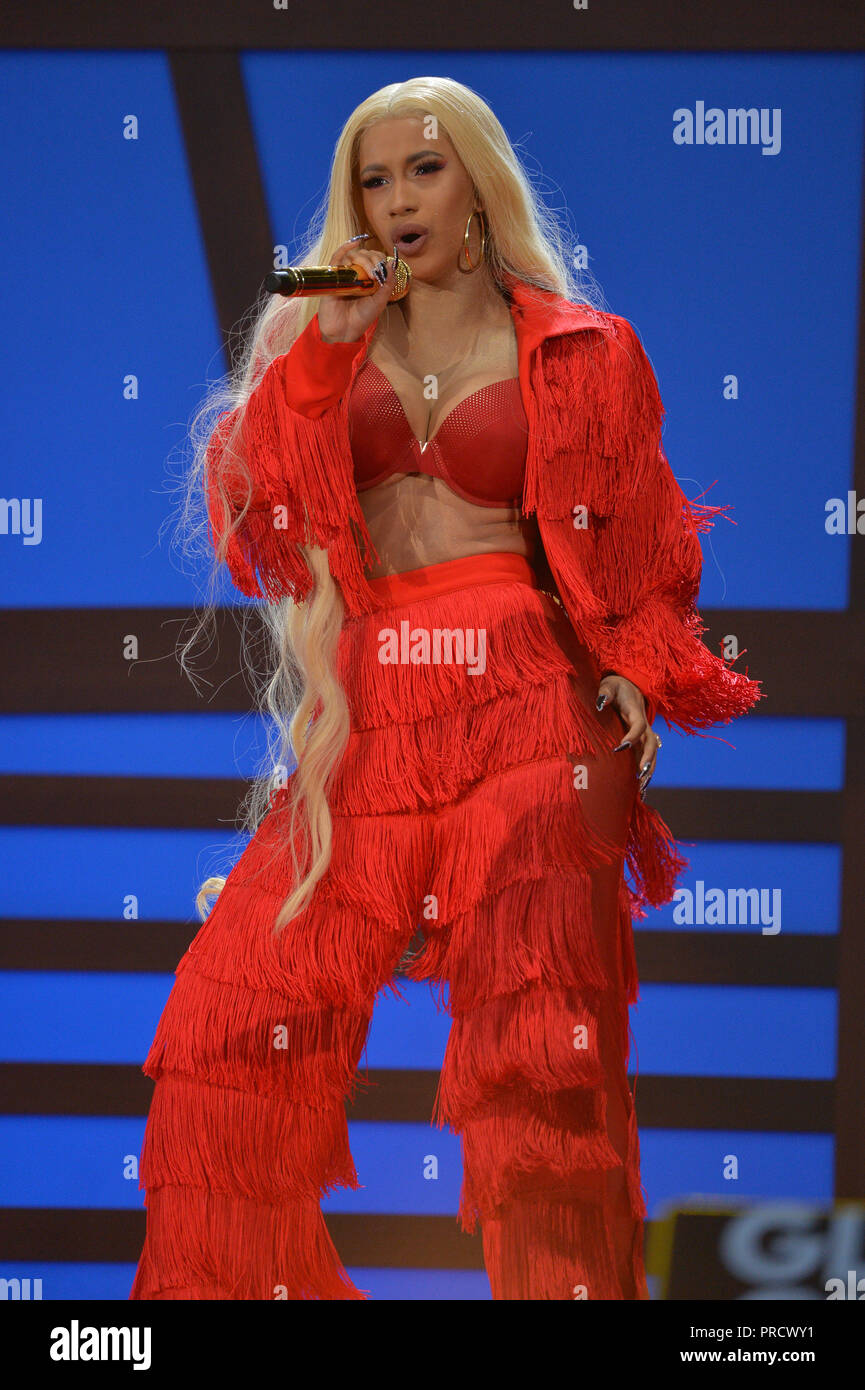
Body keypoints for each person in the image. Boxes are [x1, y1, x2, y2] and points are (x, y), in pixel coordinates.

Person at [129, 75, 762, 1302]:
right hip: (369, 720)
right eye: (373, 178)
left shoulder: (584, 349)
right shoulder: (329, 336)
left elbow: (641, 545)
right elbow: (259, 518)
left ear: (476, 180)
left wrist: (631, 667)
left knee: (543, 1086)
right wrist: (318, 349)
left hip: (530, 718)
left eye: (423, 168)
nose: (397, 197)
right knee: (226, 1042)